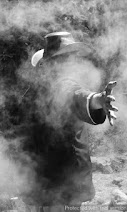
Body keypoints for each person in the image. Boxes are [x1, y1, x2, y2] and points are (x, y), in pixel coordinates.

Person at [13, 32, 118, 211]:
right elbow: (74, 93)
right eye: (69, 57)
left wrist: (97, 100)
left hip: (46, 181)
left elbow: (79, 96)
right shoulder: (58, 82)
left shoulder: (38, 88)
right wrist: (98, 100)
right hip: (59, 180)